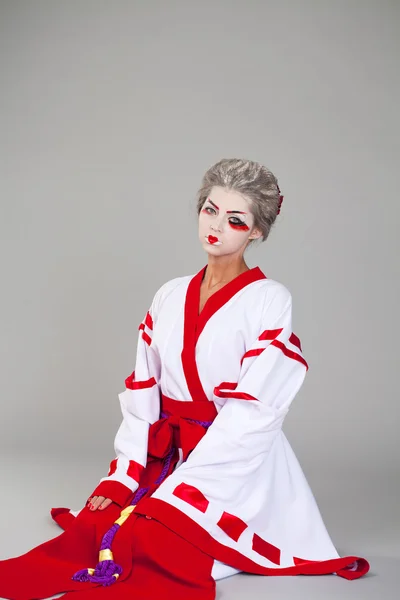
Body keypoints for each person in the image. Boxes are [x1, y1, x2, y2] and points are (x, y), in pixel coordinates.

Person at [0, 159, 369, 600]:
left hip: (233, 463)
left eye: (236, 220)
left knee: (156, 540)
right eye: (210, 210)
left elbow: (253, 413)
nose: (217, 226)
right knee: (97, 525)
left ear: (257, 231)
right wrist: (125, 474)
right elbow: (143, 391)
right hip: (166, 451)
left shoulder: (270, 300)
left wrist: (183, 489)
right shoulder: (170, 292)